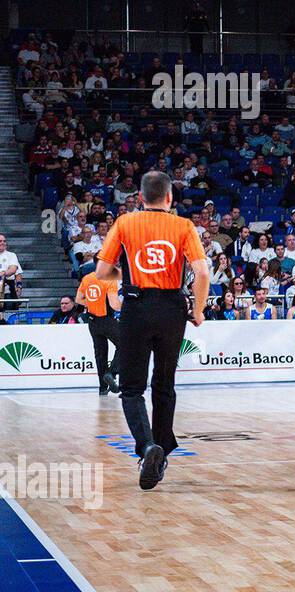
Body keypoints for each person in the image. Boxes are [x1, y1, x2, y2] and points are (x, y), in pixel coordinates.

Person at [95, 170, 210, 490]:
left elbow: (102, 271)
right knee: (164, 385)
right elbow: (202, 273)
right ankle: (161, 453)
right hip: (173, 308)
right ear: (170, 198)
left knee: (132, 389)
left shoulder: (126, 223)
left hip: (136, 306)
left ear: (140, 198)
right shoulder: (184, 226)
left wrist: (127, 275)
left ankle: (148, 448)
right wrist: (197, 310)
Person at [75, 270, 122, 395]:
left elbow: (78, 299)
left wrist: (91, 304)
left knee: (100, 354)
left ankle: (103, 387)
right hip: (107, 319)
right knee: (126, 344)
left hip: (92, 321)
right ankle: (111, 373)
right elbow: (115, 305)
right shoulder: (109, 279)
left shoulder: (87, 278)